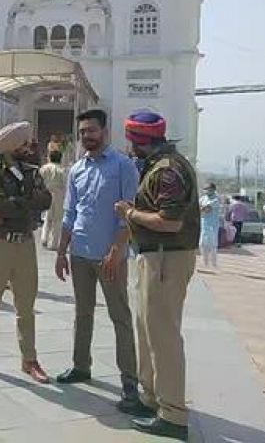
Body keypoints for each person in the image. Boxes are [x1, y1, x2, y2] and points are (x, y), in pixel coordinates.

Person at [113, 111, 199, 440]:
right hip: (155, 258)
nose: (129, 145)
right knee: (147, 331)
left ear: (140, 140)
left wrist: (129, 213)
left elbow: (171, 222)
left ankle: (173, 415)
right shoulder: (158, 165)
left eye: (131, 139)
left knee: (163, 338)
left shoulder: (167, 172)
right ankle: (150, 399)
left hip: (167, 259)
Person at [53, 109, 141, 413]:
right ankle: (81, 366)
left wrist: (116, 252)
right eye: (82, 132)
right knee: (82, 313)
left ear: (105, 131)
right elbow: (69, 214)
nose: (86, 136)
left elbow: (128, 215)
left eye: (91, 130)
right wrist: (61, 252)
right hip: (80, 253)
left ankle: (130, 383)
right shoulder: (77, 169)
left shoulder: (123, 166)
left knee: (120, 317)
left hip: (110, 257)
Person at [0, 122, 52, 384]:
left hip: (25, 243)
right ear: (13, 147)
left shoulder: (32, 172)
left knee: (25, 306)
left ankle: (29, 360)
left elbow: (46, 200)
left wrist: (17, 204)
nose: (30, 147)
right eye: (25, 144)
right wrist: (26, 203)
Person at [39, 150, 68, 250]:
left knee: (47, 217)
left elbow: (39, 181)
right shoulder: (62, 170)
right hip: (59, 195)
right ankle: (54, 243)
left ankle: (44, 238)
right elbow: (65, 184)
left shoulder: (44, 168)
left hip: (46, 193)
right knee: (57, 220)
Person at [198, 183, 222, 269]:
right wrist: (201, 209)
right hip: (204, 224)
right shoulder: (203, 198)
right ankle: (205, 262)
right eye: (205, 189)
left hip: (213, 224)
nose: (206, 190)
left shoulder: (216, 199)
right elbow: (198, 207)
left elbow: (206, 209)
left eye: (208, 189)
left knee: (212, 245)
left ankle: (214, 263)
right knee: (202, 244)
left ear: (213, 189)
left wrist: (201, 209)